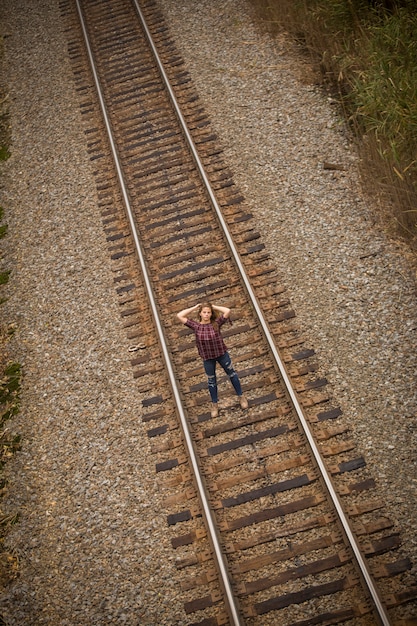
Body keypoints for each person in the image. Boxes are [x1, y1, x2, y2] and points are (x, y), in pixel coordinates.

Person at [177, 302, 248, 418]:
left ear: (211, 314)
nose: (206, 314)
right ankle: (215, 404)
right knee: (211, 381)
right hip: (207, 358)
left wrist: (213, 306)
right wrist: (195, 307)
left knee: (232, 374)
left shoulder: (216, 323)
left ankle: (241, 396)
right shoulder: (196, 326)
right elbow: (180, 315)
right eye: (204, 312)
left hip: (221, 354)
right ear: (200, 314)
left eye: (208, 312)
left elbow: (227, 311)